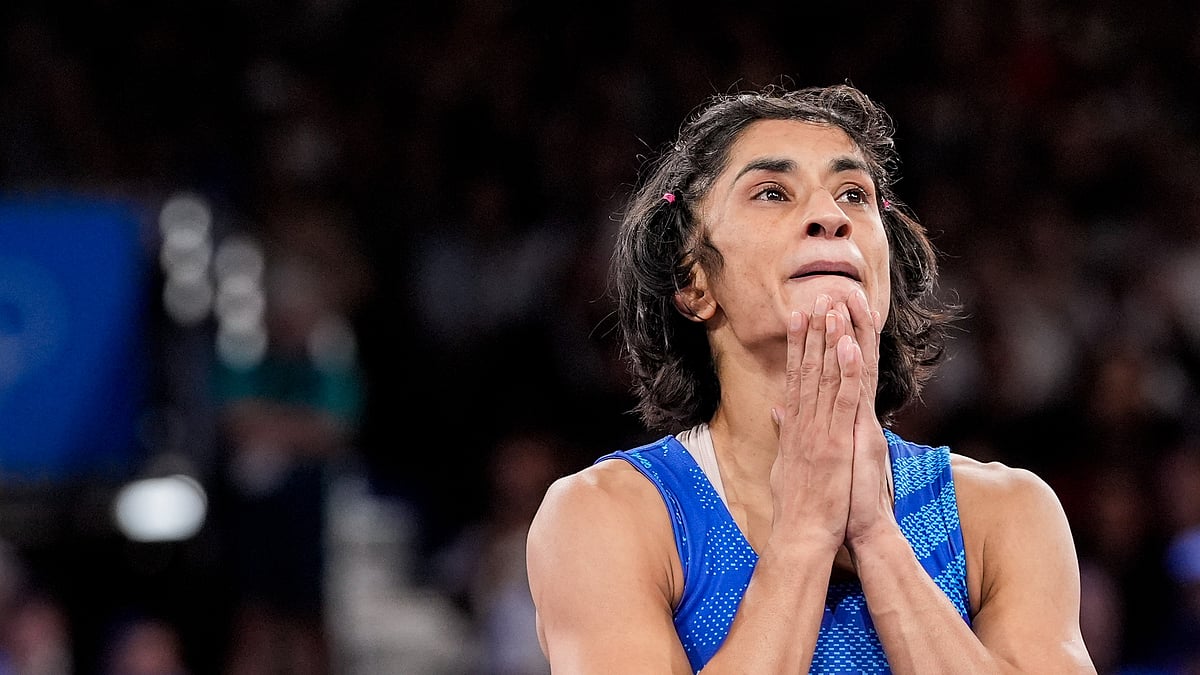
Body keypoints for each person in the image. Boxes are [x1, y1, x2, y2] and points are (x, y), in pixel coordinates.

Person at [525, 82, 1097, 673]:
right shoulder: (606, 517)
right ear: (693, 281)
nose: (830, 216)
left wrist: (877, 538)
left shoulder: (1005, 512)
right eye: (772, 193)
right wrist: (803, 536)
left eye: (854, 194)